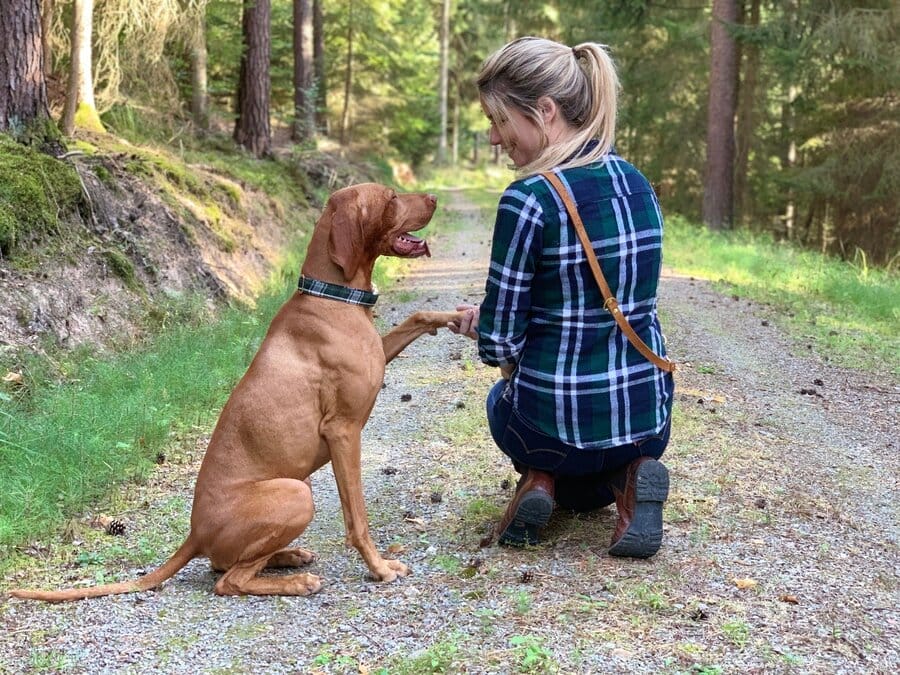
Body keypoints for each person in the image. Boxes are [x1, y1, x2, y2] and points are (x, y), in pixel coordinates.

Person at [449, 36, 675, 558]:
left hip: (550, 427)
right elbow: (618, 301)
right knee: (601, 466)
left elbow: (501, 344)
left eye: (500, 120)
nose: (493, 138)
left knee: (500, 406)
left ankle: (541, 481)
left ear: (545, 112)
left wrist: (483, 327)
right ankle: (633, 478)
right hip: (647, 423)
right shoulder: (639, 184)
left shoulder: (527, 200)